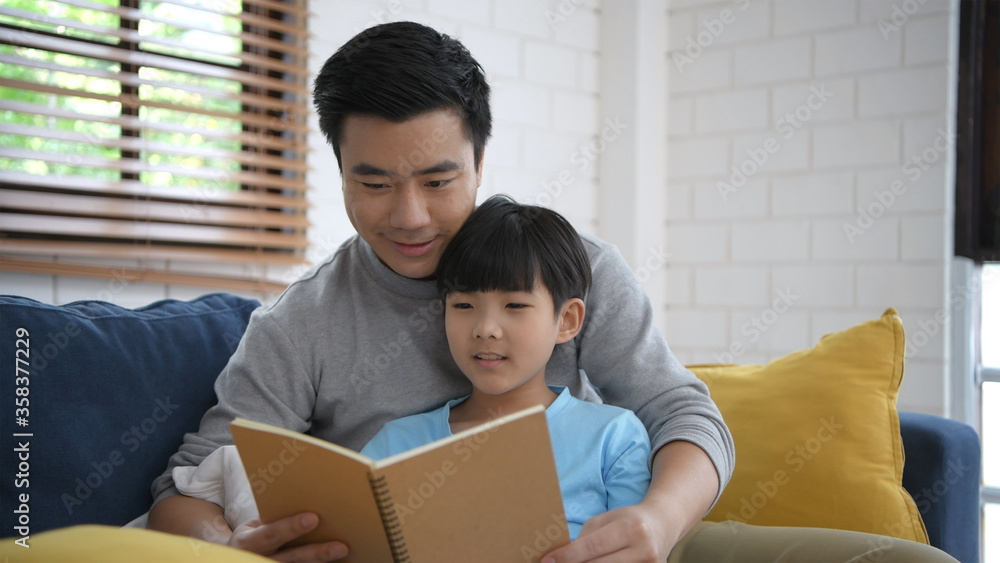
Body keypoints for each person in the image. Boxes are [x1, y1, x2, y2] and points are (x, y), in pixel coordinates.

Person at [147, 21, 958, 563]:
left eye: (439, 178)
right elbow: (188, 483)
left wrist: (656, 521)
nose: (410, 215)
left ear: (480, 160)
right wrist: (228, 543)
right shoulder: (303, 322)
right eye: (374, 183)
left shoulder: (574, 270)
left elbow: (685, 412)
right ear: (336, 171)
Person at [360, 194, 652, 541]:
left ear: (567, 320)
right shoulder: (397, 445)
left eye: (514, 304)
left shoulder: (613, 437)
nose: (485, 328)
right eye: (464, 304)